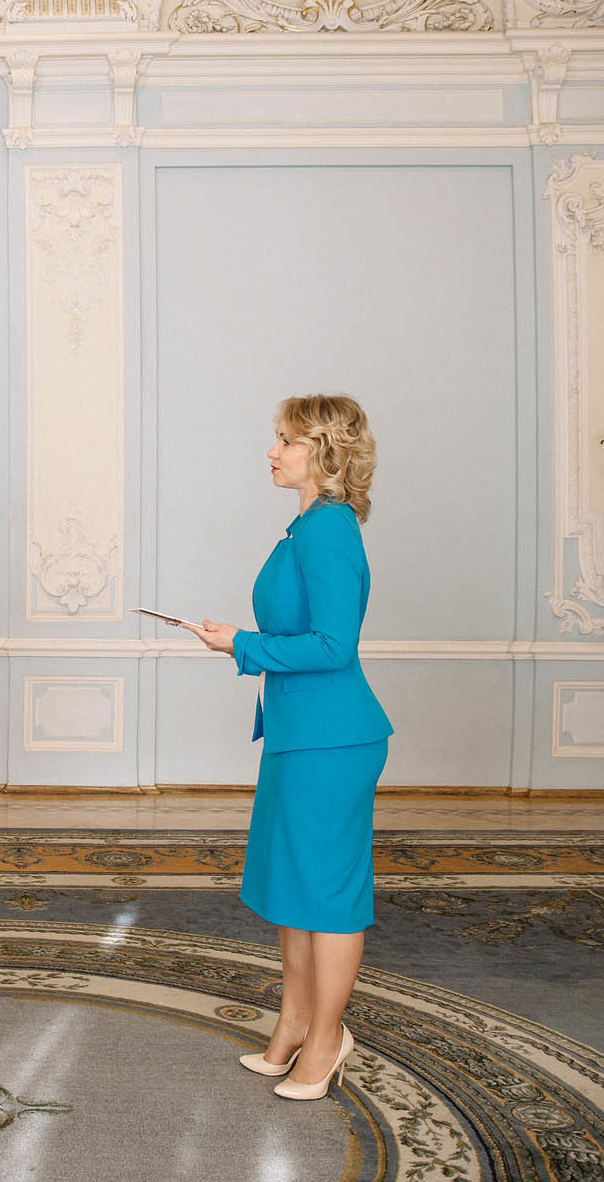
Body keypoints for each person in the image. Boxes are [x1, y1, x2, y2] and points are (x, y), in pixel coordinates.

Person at [181, 394, 392, 1102]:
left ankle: (329, 1039)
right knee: (296, 892)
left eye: (288, 441)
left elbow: (334, 646)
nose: (273, 451)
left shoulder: (328, 528)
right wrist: (239, 639)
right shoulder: (306, 527)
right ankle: (295, 1022)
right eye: (278, 438)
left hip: (332, 740)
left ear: (325, 452)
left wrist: (240, 643)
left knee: (327, 898)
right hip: (302, 736)